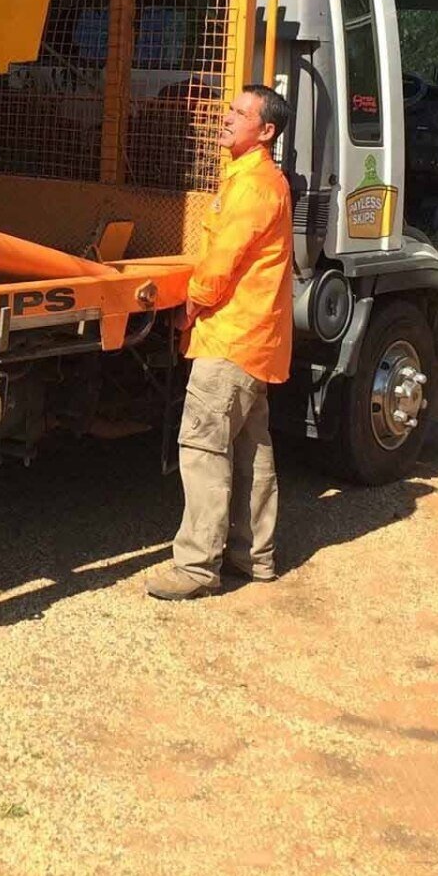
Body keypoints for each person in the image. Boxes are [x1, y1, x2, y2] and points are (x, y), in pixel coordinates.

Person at [145, 83, 294, 601]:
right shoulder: (257, 180)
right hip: (254, 340)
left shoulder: (252, 187)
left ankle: (195, 568)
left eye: (239, 114)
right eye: (229, 109)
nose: (225, 118)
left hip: (229, 337)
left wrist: (190, 305)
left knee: (204, 446)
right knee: (252, 450)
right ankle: (253, 557)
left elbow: (220, 263)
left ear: (266, 131)